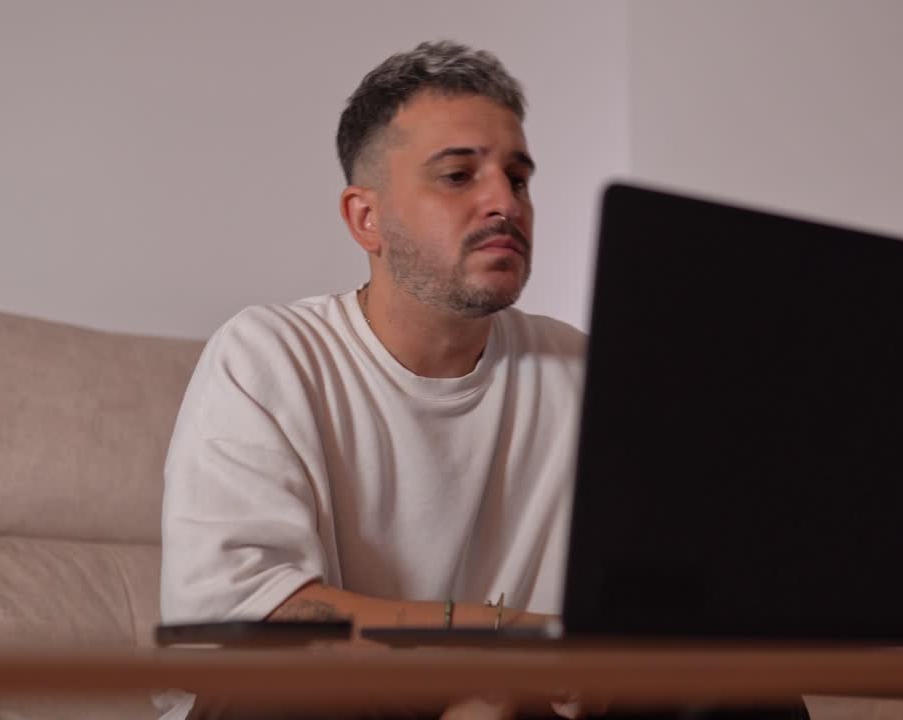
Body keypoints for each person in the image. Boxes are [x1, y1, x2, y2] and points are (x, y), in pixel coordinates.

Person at [159, 41, 807, 720]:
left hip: (529, 704)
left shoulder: (582, 372)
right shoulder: (267, 355)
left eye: (518, 179)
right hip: (338, 705)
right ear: (366, 218)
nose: (505, 202)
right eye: (458, 175)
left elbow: (673, 596)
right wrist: (506, 640)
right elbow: (245, 617)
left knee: (746, 694)